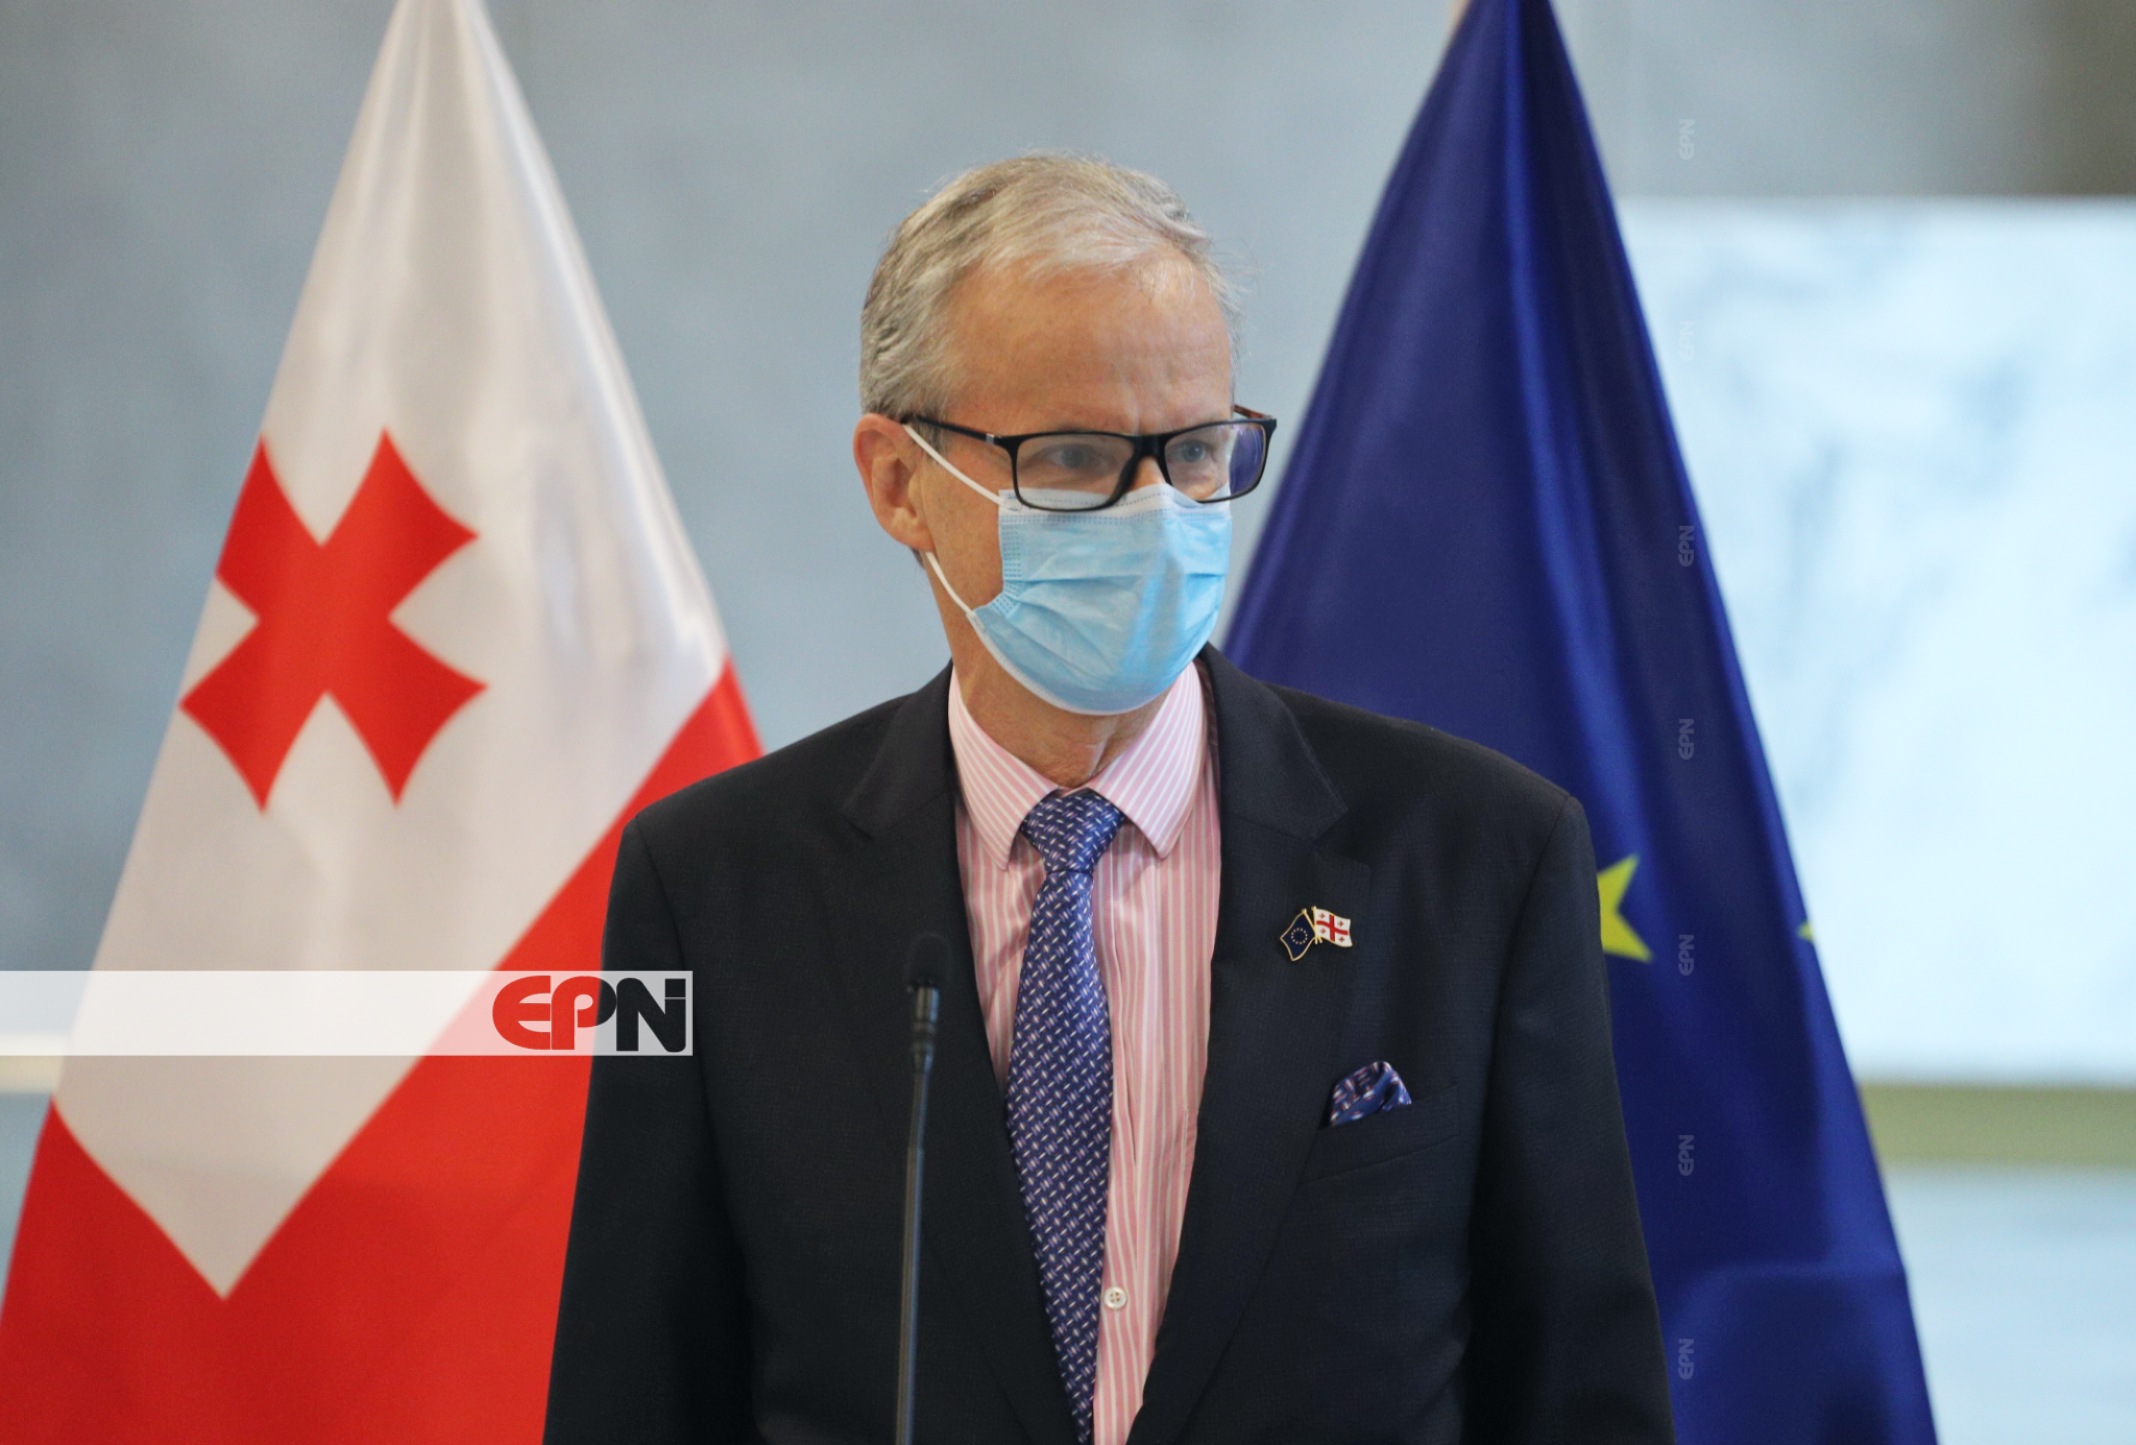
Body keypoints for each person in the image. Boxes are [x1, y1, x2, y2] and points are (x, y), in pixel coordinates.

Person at [544, 154, 1675, 1445]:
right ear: (900, 482)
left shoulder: (1480, 857)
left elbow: (1582, 1391)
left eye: (1193, 453)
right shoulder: (710, 886)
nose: (1157, 514)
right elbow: (637, 1388)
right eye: (1074, 458)